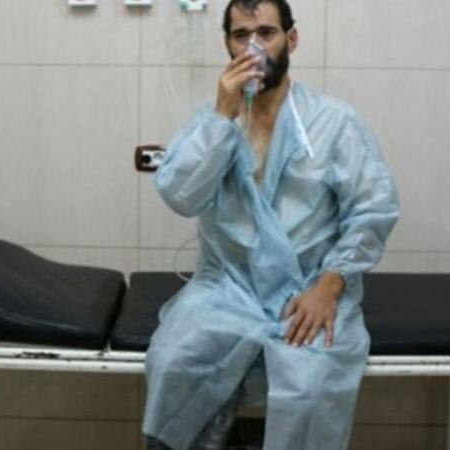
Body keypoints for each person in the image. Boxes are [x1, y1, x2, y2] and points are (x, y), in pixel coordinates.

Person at [143, 1, 400, 449]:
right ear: (227, 45)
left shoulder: (333, 123)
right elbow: (180, 196)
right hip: (228, 287)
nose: (254, 46)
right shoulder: (211, 122)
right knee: (173, 360)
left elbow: (373, 210)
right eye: (241, 35)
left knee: (310, 386)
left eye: (266, 32)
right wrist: (221, 117)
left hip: (309, 288)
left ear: (291, 39)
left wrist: (330, 285)